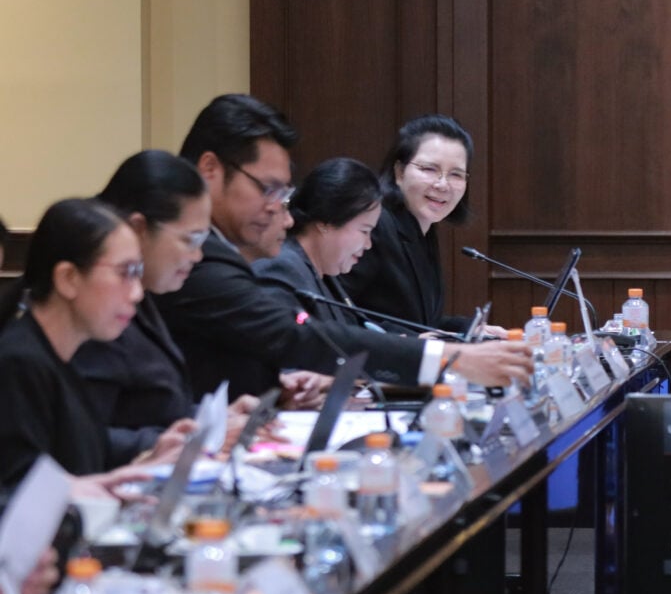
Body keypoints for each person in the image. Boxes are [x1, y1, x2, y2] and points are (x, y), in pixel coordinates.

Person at [154, 94, 531, 401]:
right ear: (210, 170)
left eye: (283, 193)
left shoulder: (217, 251)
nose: (281, 212)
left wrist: (277, 393)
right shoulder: (198, 258)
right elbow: (295, 335)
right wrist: (450, 358)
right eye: (268, 189)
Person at [74, 151, 258, 464]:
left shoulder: (144, 295)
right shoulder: (95, 308)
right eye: (191, 240)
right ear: (139, 228)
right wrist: (189, 439)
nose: (198, 256)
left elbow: (152, 407)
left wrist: (212, 420)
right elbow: (80, 437)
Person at [0, 200, 139, 486]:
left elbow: (82, 451)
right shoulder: (19, 363)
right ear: (68, 278)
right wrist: (77, 490)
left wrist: (150, 458)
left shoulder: (62, 352)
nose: (137, 293)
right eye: (125, 272)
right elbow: (18, 489)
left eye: (138, 272)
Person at [339, 115, 486, 334]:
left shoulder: (423, 229)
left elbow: (420, 322)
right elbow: (337, 312)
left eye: (456, 174)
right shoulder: (375, 226)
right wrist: (410, 342)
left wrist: (470, 330)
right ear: (399, 172)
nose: (442, 185)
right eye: (429, 169)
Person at [254, 158, 387, 332]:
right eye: (364, 231)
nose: (368, 244)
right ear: (327, 221)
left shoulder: (324, 274)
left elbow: (356, 330)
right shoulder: (281, 269)